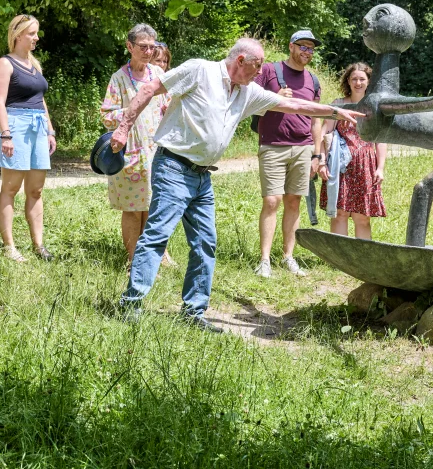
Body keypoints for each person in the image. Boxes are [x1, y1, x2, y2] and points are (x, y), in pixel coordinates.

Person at [110, 38, 364, 332]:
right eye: (257, 66)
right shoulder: (199, 70)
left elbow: (292, 104)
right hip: (173, 167)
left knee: (206, 243)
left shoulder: (248, 92)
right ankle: (131, 304)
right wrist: (124, 126)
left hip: (202, 176)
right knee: (157, 235)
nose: (261, 73)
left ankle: (193, 313)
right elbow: (150, 88)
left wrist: (334, 111)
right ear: (241, 60)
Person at [100, 24, 175, 268]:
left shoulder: (158, 75)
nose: (149, 52)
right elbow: (107, 115)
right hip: (130, 151)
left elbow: (170, 104)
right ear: (129, 46)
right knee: (133, 209)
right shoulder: (119, 78)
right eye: (143, 47)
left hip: (158, 151)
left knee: (156, 206)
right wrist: (132, 109)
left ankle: (156, 255)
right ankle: (134, 259)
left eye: (152, 47)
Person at [253, 30, 324, 278]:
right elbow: (248, 101)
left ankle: (288, 257)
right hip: (272, 144)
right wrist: (273, 98)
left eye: (311, 48)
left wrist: (317, 155)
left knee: (294, 201)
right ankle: (264, 260)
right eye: (303, 46)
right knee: (272, 201)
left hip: (303, 148)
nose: (307, 52)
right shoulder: (270, 71)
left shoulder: (313, 81)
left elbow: (316, 120)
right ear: (291, 46)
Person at [0, 15, 56, 262]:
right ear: (18, 35)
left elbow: (41, 100)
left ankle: (38, 245)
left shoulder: (34, 64)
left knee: (36, 189)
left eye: (36, 33)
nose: (36, 38)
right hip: (15, 125)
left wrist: (50, 130)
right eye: (32, 33)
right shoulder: (4, 64)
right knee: (10, 188)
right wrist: (6, 134)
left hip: (38, 126)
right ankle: (10, 246)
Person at [318, 62, 386, 239]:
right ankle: (340, 259)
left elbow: (380, 140)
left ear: (369, 82)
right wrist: (322, 162)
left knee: (362, 216)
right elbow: (325, 133)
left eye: (362, 79)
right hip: (339, 166)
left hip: (366, 167)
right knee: (340, 214)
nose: (358, 83)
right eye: (354, 79)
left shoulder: (375, 108)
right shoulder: (338, 104)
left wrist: (380, 168)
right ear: (348, 81)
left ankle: (362, 258)